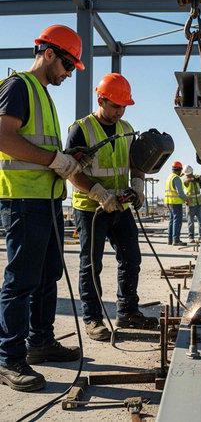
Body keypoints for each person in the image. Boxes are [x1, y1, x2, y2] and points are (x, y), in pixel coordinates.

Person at [0, 24, 84, 392]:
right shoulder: (18, 86)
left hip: (47, 202)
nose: (68, 73)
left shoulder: (44, 94)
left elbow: (40, 147)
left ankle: (41, 342)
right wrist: (54, 159)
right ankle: (9, 359)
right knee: (20, 282)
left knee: (47, 275)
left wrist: (64, 159)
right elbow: (4, 137)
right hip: (24, 201)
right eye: (68, 65)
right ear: (49, 54)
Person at [66, 73, 157, 342]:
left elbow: (136, 162)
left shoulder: (126, 128)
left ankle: (127, 311)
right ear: (101, 100)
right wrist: (97, 192)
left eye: (123, 106)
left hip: (120, 207)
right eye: (115, 106)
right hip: (90, 209)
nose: (120, 111)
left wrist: (138, 186)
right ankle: (93, 319)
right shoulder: (81, 129)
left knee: (131, 258)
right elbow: (71, 170)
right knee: (90, 265)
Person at [165, 161, 189, 246]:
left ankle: (170, 239)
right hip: (176, 203)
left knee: (172, 220)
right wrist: (186, 199)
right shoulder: (177, 179)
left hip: (169, 202)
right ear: (179, 170)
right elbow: (180, 193)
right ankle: (176, 240)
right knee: (177, 221)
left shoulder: (169, 177)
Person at [182, 164, 201, 242]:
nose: (189, 176)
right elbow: (186, 181)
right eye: (188, 175)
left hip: (198, 204)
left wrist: (200, 178)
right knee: (190, 222)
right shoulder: (185, 180)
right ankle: (191, 237)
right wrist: (192, 179)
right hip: (190, 204)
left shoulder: (196, 176)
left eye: (190, 174)